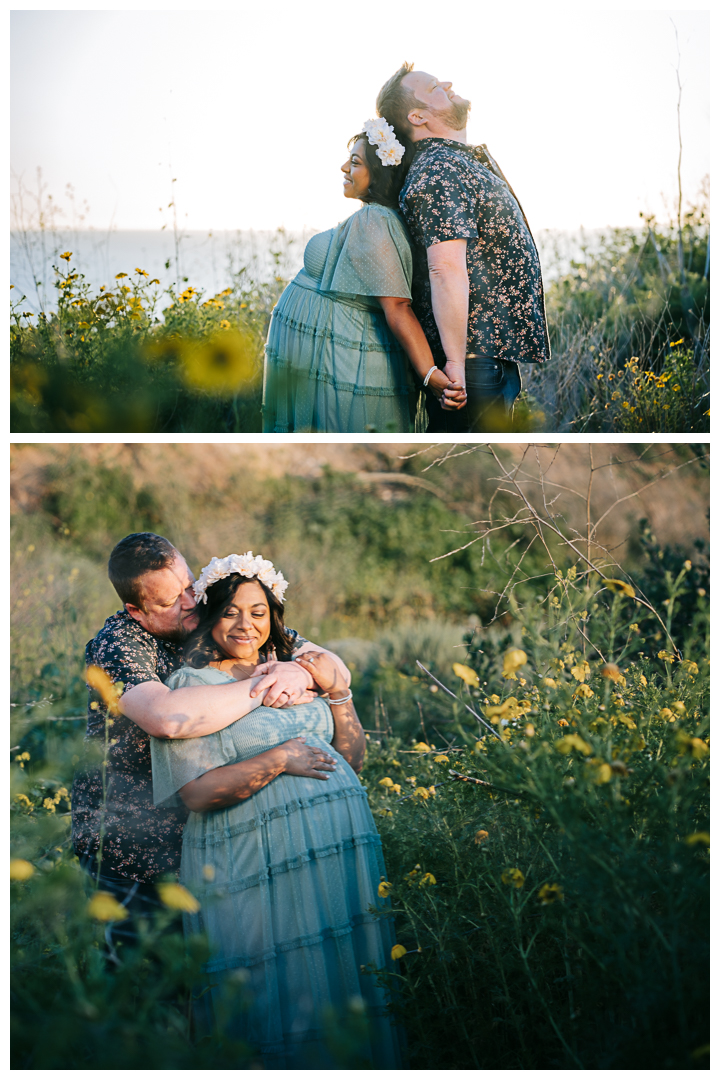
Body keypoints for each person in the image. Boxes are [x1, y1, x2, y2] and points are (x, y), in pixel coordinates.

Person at [150, 553, 402, 1068]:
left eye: (259, 612)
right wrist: (279, 759)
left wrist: (338, 693)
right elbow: (196, 794)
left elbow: (349, 758)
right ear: (210, 616)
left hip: (334, 850)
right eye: (232, 613)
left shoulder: (294, 671)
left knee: (339, 978)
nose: (247, 625)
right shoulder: (193, 688)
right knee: (275, 986)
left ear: (275, 616)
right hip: (254, 857)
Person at [71, 533, 346, 942]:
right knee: (142, 983)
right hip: (129, 845)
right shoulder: (119, 645)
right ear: (136, 610)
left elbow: (333, 666)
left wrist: (300, 670)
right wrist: (262, 681)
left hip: (209, 840)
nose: (187, 604)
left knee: (209, 979)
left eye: (187, 587)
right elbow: (168, 719)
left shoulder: (212, 617)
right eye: (167, 602)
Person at [376, 63, 551, 433]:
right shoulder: (439, 167)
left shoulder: (451, 162)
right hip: (473, 363)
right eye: (436, 86)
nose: (449, 84)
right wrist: (455, 363)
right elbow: (445, 268)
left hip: (483, 357)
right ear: (417, 116)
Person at [262, 122, 466, 433]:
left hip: (339, 362)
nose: (344, 167)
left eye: (355, 162)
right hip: (324, 357)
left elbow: (397, 305)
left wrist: (429, 375)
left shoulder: (375, 219)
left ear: (379, 174)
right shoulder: (374, 217)